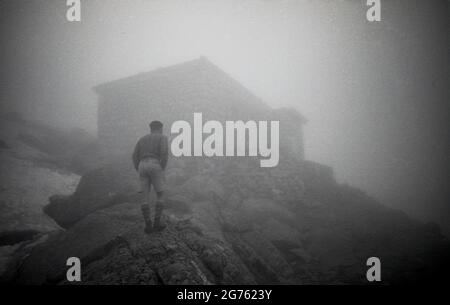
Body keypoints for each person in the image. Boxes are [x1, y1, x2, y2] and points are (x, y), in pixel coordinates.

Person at [132, 121, 169, 233]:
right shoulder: (162, 137)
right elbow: (164, 153)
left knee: (145, 196)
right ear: (160, 128)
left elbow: (134, 156)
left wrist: (138, 167)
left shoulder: (142, 139)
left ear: (151, 128)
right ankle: (156, 223)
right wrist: (162, 166)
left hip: (142, 164)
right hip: (154, 163)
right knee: (160, 193)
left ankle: (148, 224)